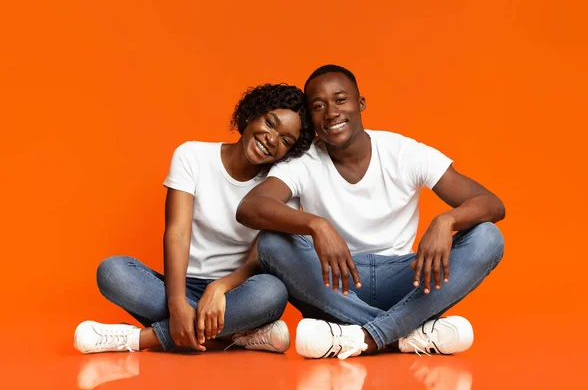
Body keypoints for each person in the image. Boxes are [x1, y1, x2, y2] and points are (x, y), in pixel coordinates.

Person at [236, 65, 506, 360]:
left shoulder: (402, 152)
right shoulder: (305, 161)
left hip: (406, 280)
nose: (331, 113)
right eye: (318, 106)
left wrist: (446, 220)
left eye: (340, 100)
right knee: (272, 242)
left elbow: (491, 203)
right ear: (311, 119)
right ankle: (406, 333)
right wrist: (317, 225)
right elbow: (251, 207)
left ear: (360, 103)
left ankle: (363, 336)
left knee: (488, 236)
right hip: (335, 283)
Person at [73, 83, 315, 354]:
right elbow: (177, 232)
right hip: (178, 283)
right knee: (113, 271)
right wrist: (177, 303)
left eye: (285, 140)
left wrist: (220, 288)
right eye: (270, 123)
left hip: (234, 292)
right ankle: (236, 335)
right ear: (251, 114)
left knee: (272, 291)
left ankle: (139, 339)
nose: (271, 139)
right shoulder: (193, 156)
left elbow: (260, 258)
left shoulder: (281, 185)